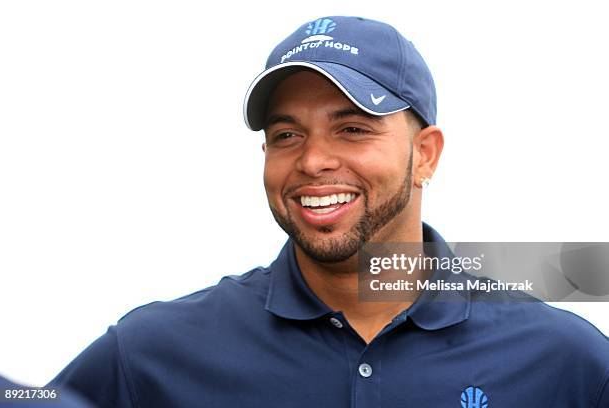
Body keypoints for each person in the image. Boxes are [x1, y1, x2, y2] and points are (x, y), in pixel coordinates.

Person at [48, 16, 609, 407]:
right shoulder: (150, 353)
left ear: (426, 154)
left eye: (353, 128)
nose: (314, 160)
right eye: (286, 134)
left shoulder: (566, 360)